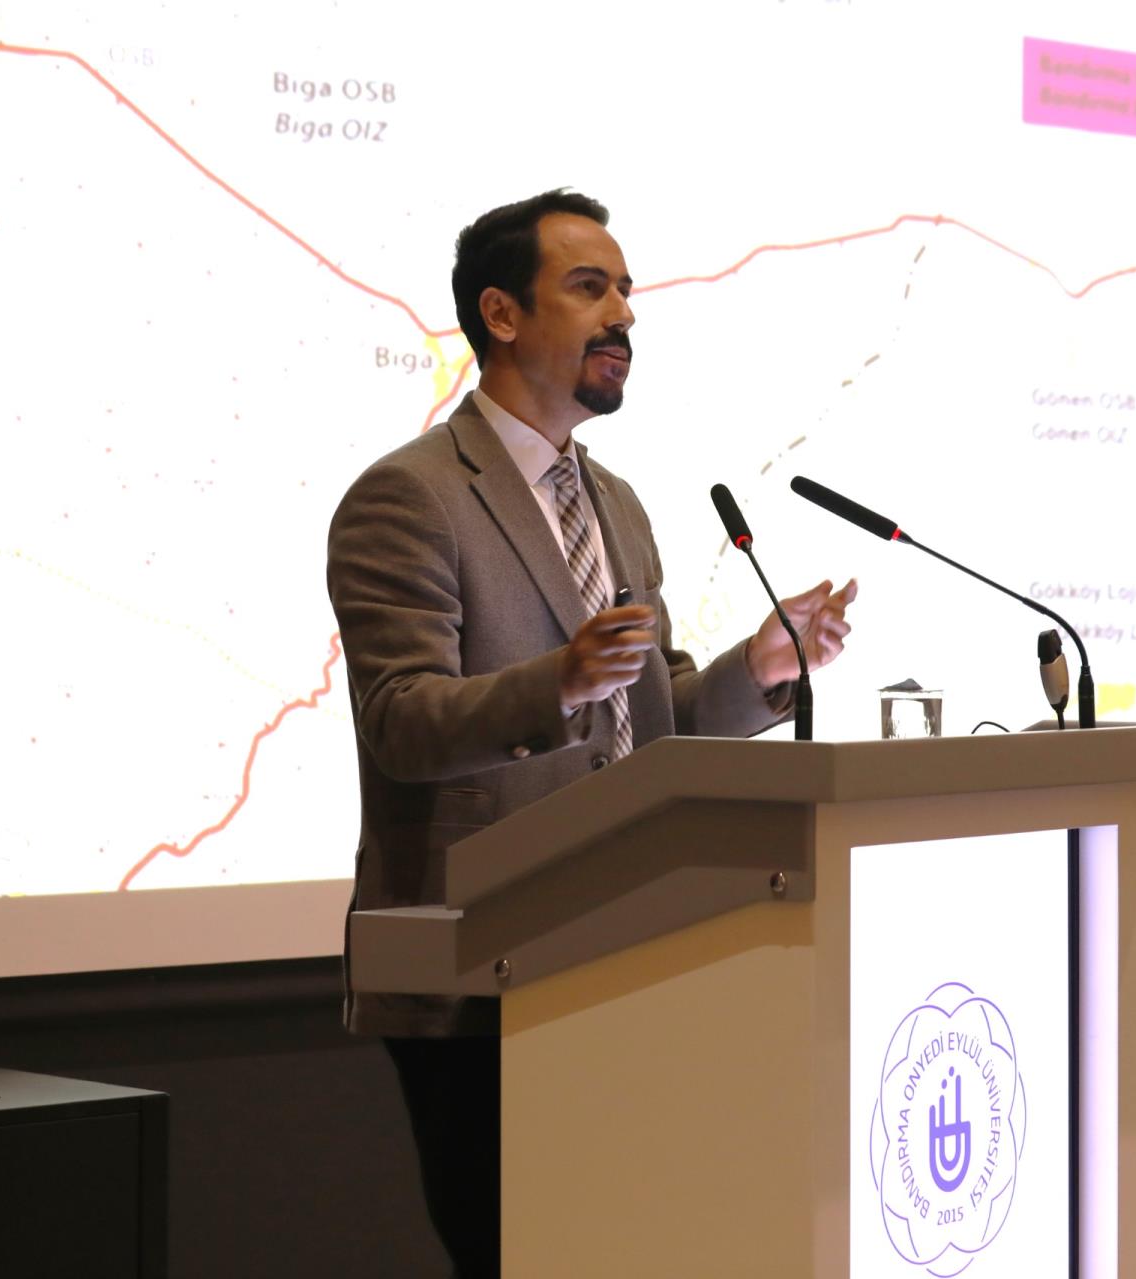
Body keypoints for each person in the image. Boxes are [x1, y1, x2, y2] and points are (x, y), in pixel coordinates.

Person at [325, 189, 857, 1275]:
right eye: (589, 287)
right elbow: (401, 723)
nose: (624, 314)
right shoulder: (408, 498)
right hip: (479, 969)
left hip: (626, 948)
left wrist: (758, 672)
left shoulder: (615, 502)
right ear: (502, 314)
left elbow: (650, 719)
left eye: (625, 290)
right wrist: (557, 682)